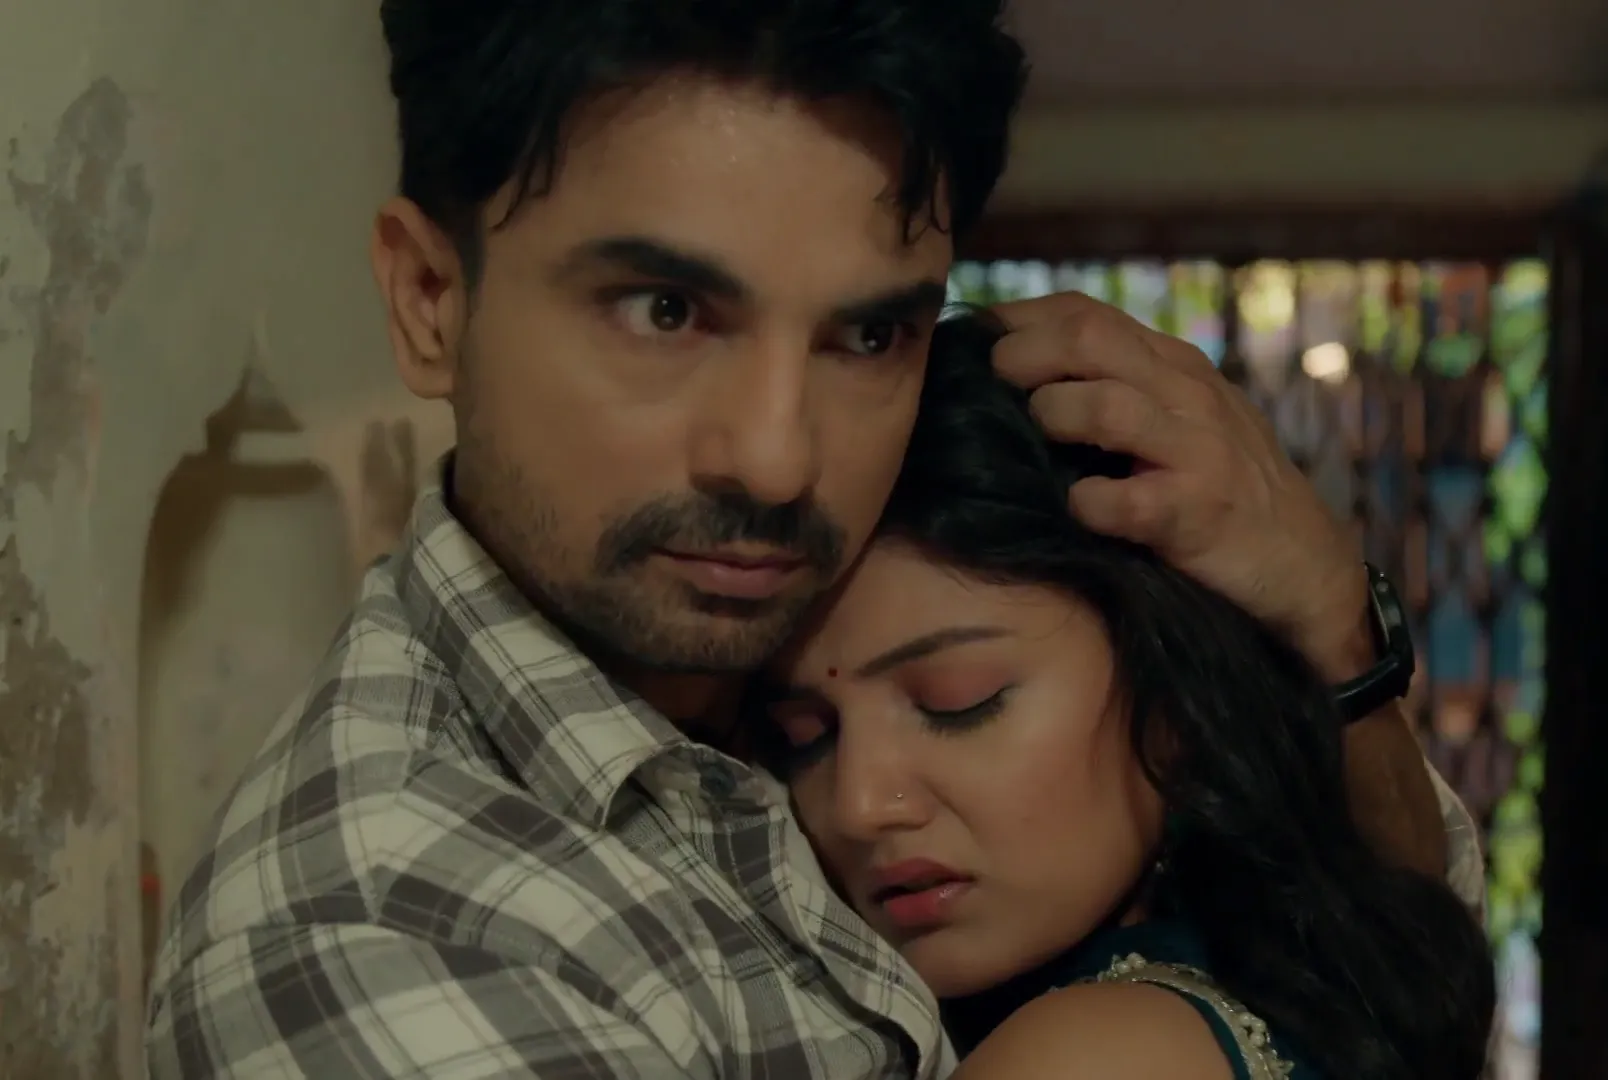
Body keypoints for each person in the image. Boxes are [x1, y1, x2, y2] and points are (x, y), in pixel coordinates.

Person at [145, 2, 1484, 1076]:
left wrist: (1330, 634)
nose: (780, 457)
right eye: (666, 312)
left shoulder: (812, 621)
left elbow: (1387, 946)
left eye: (870, 333)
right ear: (431, 298)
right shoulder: (391, 928)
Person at [760, 311, 1495, 1080]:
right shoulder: (1309, 973)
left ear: (1174, 697)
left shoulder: (1084, 1056)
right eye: (804, 737)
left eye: (957, 702)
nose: (860, 805)